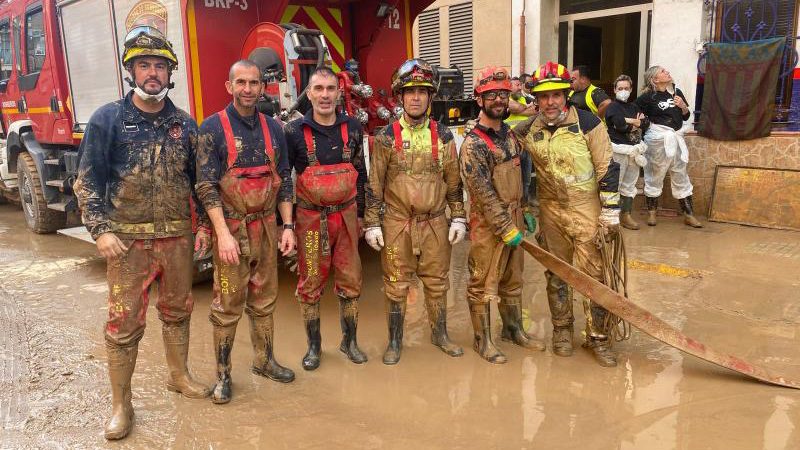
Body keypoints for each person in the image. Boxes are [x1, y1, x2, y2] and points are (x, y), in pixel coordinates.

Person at [74, 26, 209, 440]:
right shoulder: (107, 120)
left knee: (178, 310)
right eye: (144, 65)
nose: (153, 73)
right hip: (126, 242)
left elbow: (200, 181)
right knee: (123, 323)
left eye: (160, 66)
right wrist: (98, 231)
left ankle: (179, 376)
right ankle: (121, 405)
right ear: (130, 71)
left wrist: (202, 226)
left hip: (176, 238)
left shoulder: (185, 125)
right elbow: (87, 181)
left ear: (171, 73)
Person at [195, 60, 296, 404]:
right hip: (232, 230)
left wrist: (288, 227)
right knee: (227, 304)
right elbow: (206, 186)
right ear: (229, 86)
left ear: (263, 87)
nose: (248, 89)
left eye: (254, 82)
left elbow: (283, 181)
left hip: (267, 226)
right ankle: (223, 376)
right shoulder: (211, 128)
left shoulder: (274, 128)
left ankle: (264, 361)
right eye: (241, 82)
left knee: (265, 299)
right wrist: (221, 234)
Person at [513, 61, 621, 367]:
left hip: (586, 207)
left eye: (556, 96)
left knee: (595, 274)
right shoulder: (528, 129)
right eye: (544, 97)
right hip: (550, 209)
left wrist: (611, 210)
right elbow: (502, 150)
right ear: (536, 99)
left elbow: (607, 167)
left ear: (566, 95)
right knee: (556, 273)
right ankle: (562, 332)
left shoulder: (588, 124)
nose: (550, 103)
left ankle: (598, 337)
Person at [364, 59, 466, 365]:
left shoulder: (445, 135)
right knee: (395, 283)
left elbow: (453, 181)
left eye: (422, 91)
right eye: (410, 92)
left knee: (437, 281)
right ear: (400, 97)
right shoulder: (385, 137)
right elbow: (374, 183)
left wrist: (458, 215)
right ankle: (395, 341)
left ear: (431, 96)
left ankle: (440, 334)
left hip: (435, 222)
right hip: (397, 224)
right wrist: (372, 224)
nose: (416, 97)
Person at [459, 66, 546, 365]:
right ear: (479, 100)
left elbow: (523, 177)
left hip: (515, 216)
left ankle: (513, 330)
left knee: (513, 280)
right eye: (492, 95)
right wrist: (505, 226)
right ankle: (483, 340)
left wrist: (526, 211)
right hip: (489, 225)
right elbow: (481, 193)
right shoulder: (473, 144)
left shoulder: (509, 135)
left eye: (503, 95)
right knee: (482, 283)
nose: (498, 100)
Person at [283, 67, 368, 370]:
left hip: (345, 217)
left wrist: (361, 216)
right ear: (308, 93)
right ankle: (314, 347)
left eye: (330, 89)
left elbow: (361, 175)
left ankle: (350, 342)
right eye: (318, 89)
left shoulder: (353, 127)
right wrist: (288, 226)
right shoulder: (293, 132)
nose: (325, 95)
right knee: (310, 282)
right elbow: (284, 180)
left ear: (338, 93)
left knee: (351, 279)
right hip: (310, 219)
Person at [635, 66, 702, 228]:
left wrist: (683, 106)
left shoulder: (677, 92)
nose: (667, 72)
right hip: (657, 140)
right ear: (655, 79)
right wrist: (646, 127)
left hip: (676, 137)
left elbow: (686, 115)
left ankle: (688, 214)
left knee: (680, 175)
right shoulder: (646, 97)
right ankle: (652, 213)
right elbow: (637, 115)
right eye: (663, 71)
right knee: (654, 174)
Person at [605, 74, 650, 230]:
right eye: (620, 88)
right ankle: (611, 218)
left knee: (630, 184)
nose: (623, 91)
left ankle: (626, 216)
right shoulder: (612, 107)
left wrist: (633, 121)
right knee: (614, 184)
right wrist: (634, 121)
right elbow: (618, 125)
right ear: (615, 90)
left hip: (634, 150)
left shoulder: (634, 107)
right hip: (618, 151)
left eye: (626, 88)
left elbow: (646, 123)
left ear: (631, 89)